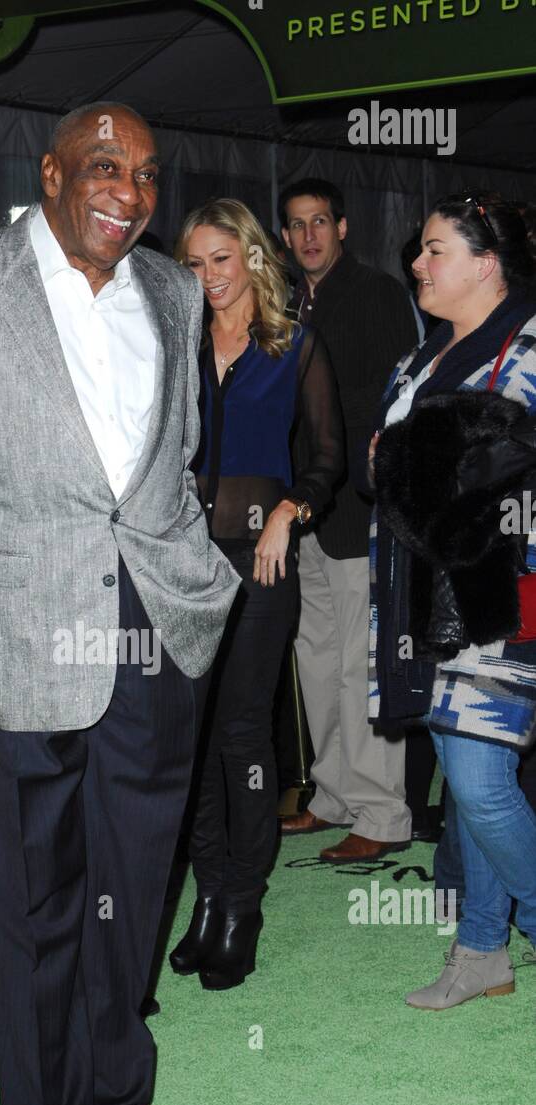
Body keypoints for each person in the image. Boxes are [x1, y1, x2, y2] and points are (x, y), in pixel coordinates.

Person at [0, 104, 241, 1105]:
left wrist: (194, 577)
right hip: (22, 644)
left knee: (133, 896)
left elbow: (174, 459)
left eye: (146, 174)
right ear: (49, 175)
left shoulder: (173, 292)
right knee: (39, 915)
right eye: (105, 168)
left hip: (152, 637)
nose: (129, 191)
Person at [169, 198, 343, 988]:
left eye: (221, 260)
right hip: (182, 562)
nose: (208, 278)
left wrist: (287, 510)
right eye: (195, 264)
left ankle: (242, 903)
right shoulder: (176, 345)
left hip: (261, 563)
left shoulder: (292, 345)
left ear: (250, 258)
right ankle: (208, 894)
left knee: (242, 733)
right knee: (193, 735)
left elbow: (329, 459)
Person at [370, 192, 536, 1008]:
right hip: (424, 591)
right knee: (461, 772)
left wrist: (407, 456)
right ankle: (479, 953)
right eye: (420, 250)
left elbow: (502, 453)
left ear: (486, 263)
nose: (417, 264)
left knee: (477, 779)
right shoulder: (426, 353)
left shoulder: (530, 339)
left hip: (502, 589)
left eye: (435, 250)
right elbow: (402, 459)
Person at [278, 179, 416, 862]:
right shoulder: (283, 302)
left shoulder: (378, 294)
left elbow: (394, 398)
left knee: (362, 663)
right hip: (301, 509)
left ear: (342, 228)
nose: (308, 236)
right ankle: (332, 795)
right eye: (296, 226)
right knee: (314, 660)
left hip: (358, 508)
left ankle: (383, 813)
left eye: (319, 223)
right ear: (284, 237)